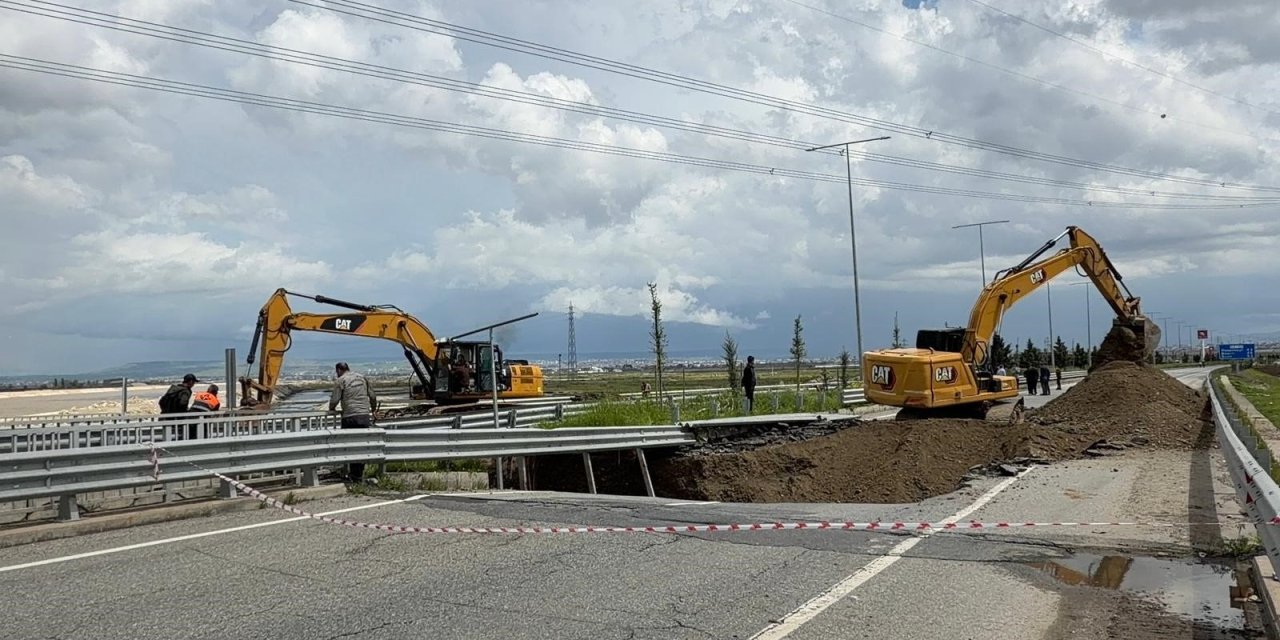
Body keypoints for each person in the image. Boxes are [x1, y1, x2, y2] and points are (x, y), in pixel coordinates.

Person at [329, 362, 377, 483]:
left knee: (350, 445)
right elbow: (372, 396)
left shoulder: (341, 380)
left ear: (339, 370)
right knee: (361, 445)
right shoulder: (362, 377)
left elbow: (334, 399)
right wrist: (373, 409)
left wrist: (332, 409)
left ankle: (353, 475)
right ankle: (358, 474)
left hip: (349, 416)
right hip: (364, 416)